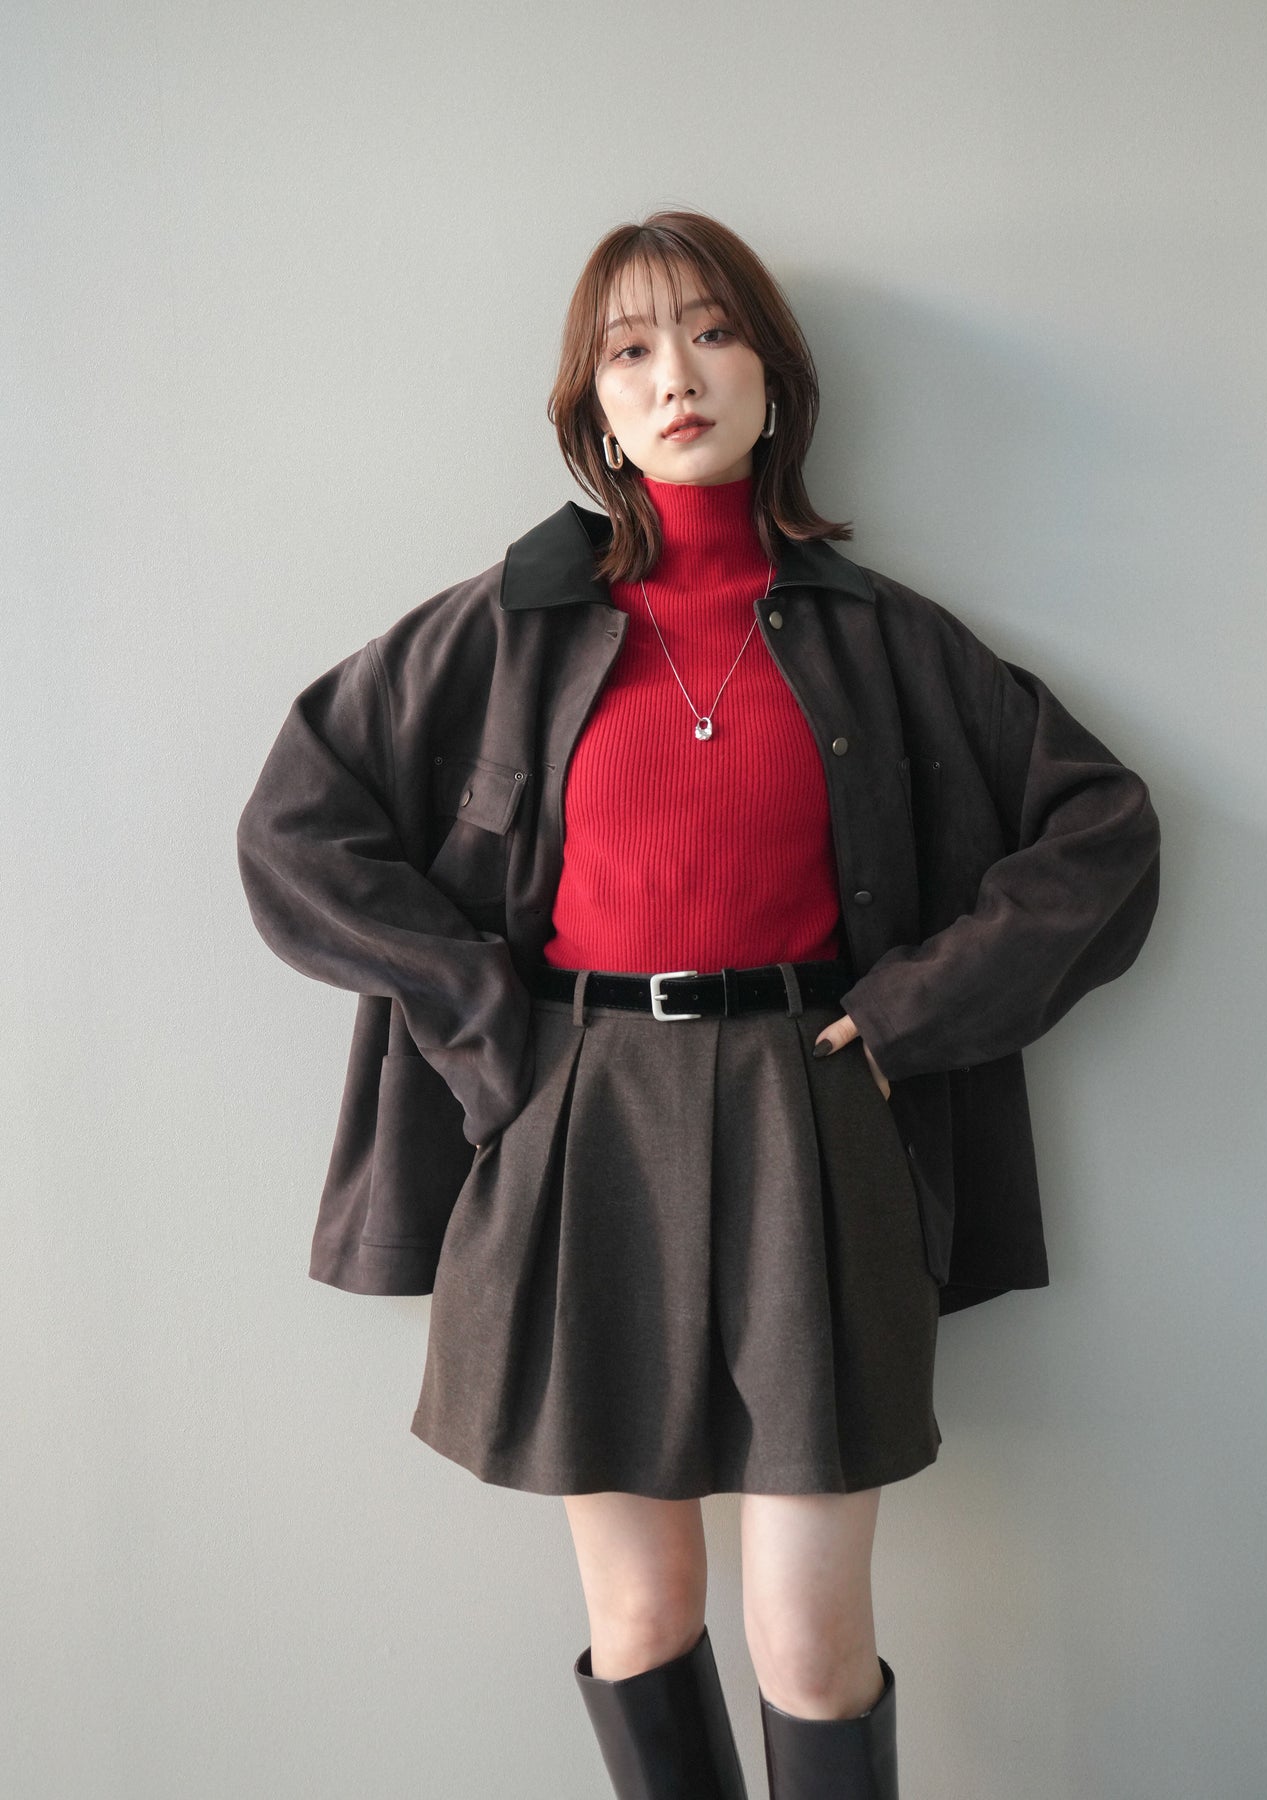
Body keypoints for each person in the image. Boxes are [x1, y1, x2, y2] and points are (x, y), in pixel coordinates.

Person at [236, 209, 1161, 1800]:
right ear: (594, 409)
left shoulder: (882, 637)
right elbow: (294, 833)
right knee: (644, 1615)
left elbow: (1102, 833)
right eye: (630, 349)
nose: (676, 375)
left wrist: (911, 1016)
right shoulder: (502, 627)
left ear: (772, 380)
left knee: (809, 1643)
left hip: (816, 1114)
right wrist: (487, 1023)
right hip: (579, 1119)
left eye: (712, 333)